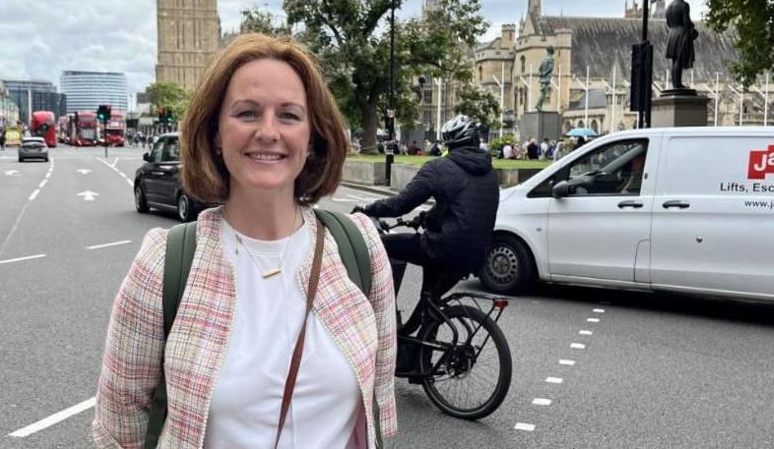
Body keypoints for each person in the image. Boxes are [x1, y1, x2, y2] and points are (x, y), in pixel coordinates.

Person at [93, 33, 397, 449]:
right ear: (215, 133)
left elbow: (379, 410)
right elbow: (119, 431)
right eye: (248, 113)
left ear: (313, 138)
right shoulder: (164, 265)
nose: (268, 132)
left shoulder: (360, 250)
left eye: (289, 116)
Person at [357, 114, 500, 330]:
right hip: (476, 253)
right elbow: (457, 207)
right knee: (430, 302)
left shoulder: (439, 168)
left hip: (443, 247)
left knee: (383, 246)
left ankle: (384, 310)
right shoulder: (490, 172)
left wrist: (368, 209)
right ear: (475, 141)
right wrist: (424, 219)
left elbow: (400, 204)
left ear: (448, 144)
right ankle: (419, 354)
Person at [665, 0, 698, 91]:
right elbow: (686, 21)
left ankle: (676, 84)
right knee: (679, 60)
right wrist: (692, 28)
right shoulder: (684, 5)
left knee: (674, 61)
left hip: (672, 34)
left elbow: (669, 23)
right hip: (681, 34)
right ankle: (677, 85)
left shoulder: (669, 7)